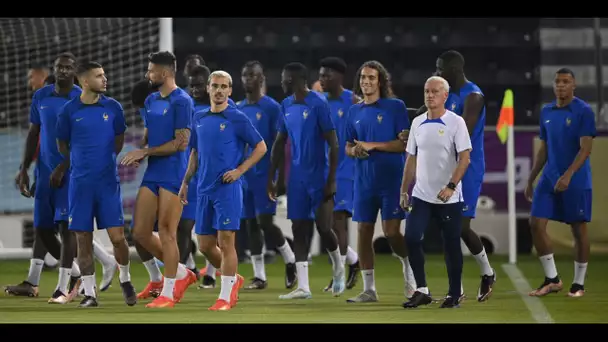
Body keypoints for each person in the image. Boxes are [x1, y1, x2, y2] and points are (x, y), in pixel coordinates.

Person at [180, 70, 265, 310]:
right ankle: (233, 278)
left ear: (230, 90)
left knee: (226, 241)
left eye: (224, 86)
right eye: (215, 86)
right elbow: (194, 153)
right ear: (208, 88)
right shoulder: (199, 117)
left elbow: (261, 147)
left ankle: (226, 296)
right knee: (205, 245)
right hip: (203, 189)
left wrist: (240, 171)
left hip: (227, 188)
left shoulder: (237, 117)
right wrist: (186, 182)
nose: (219, 90)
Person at [56, 61, 136, 308]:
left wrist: (104, 161)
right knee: (83, 237)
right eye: (99, 76)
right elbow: (62, 145)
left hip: (107, 183)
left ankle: (125, 277)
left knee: (118, 238)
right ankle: (90, 294)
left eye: (104, 74)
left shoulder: (113, 107)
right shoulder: (69, 111)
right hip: (80, 184)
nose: (105, 79)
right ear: (84, 81)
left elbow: (118, 139)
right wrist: (79, 163)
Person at [121, 51, 198, 308]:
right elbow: (150, 130)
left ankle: (168, 292)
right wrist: (141, 150)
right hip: (153, 172)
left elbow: (180, 143)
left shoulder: (182, 101)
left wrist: (145, 151)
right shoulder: (152, 99)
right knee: (140, 232)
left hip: (174, 172)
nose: (147, 75)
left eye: (151, 70)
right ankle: (182, 273)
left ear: (164, 74)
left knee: (166, 231)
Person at [6, 53, 82, 302]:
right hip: (44, 171)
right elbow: (33, 134)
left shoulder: (81, 98)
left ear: (75, 71)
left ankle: (62, 286)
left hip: (70, 173)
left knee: (66, 228)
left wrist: (64, 166)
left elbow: (82, 141)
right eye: (59, 67)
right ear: (54, 69)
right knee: (42, 228)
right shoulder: (41, 96)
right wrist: (24, 168)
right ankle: (78, 274)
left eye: (68, 67)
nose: (63, 71)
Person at [268, 62, 345, 299]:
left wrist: (331, 179)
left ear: (295, 79)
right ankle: (303, 287)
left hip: (319, 175)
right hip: (297, 177)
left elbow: (333, 143)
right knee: (298, 228)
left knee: (323, 227)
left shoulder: (318, 104)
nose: (281, 82)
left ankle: (338, 267)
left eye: (284, 78)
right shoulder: (286, 105)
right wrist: (273, 176)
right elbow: (279, 142)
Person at [344, 60, 416, 303]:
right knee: (363, 232)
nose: (366, 81)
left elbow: (403, 144)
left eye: (371, 78)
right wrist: (356, 151)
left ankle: (408, 265)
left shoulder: (395, 107)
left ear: (380, 81)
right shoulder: (353, 111)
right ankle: (369, 289)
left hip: (391, 180)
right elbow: (348, 146)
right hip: (364, 181)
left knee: (392, 232)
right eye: (363, 77)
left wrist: (372, 146)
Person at [401, 76, 472, 309]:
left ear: (445, 96)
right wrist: (404, 190)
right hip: (422, 195)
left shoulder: (456, 122)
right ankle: (422, 290)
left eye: (434, 91)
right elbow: (411, 158)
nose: (429, 95)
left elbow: (465, 159)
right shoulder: (417, 123)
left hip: (448, 197)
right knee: (411, 237)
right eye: (426, 91)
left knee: (451, 244)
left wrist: (451, 186)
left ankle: (454, 293)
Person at [525, 68, 595, 298]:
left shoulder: (583, 111)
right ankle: (552, 279)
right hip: (549, 177)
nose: (561, 85)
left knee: (578, 229)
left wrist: (568, 175)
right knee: (536, 224)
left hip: (575, 179)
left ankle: (579, 283)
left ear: (574, 85)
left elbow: (586, 149)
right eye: (558, 81)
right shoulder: (546, 111)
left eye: (566, 81)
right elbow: (543, 150)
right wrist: (531, 178)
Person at [237, 60, 297, 290]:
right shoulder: (238, 108)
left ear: (261, 78)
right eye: (244, 75)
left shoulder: (272, 108)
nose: (247, 79)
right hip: (245, 176)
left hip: (265, 175)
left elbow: (280, 144)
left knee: (265, 222)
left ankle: (289, 259)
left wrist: (279, 177)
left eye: (252, 75)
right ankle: (259, 275)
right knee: (251, 224)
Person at [317, 56, 361, 292]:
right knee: (324, 226)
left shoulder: (353, 101)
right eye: (320, 75)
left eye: (327, 75)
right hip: (322, 171)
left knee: (338, 222)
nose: (322, 79)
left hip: (345, 170)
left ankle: (339, 277)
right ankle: (353, 262)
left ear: (339, 77)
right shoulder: (319, 102)